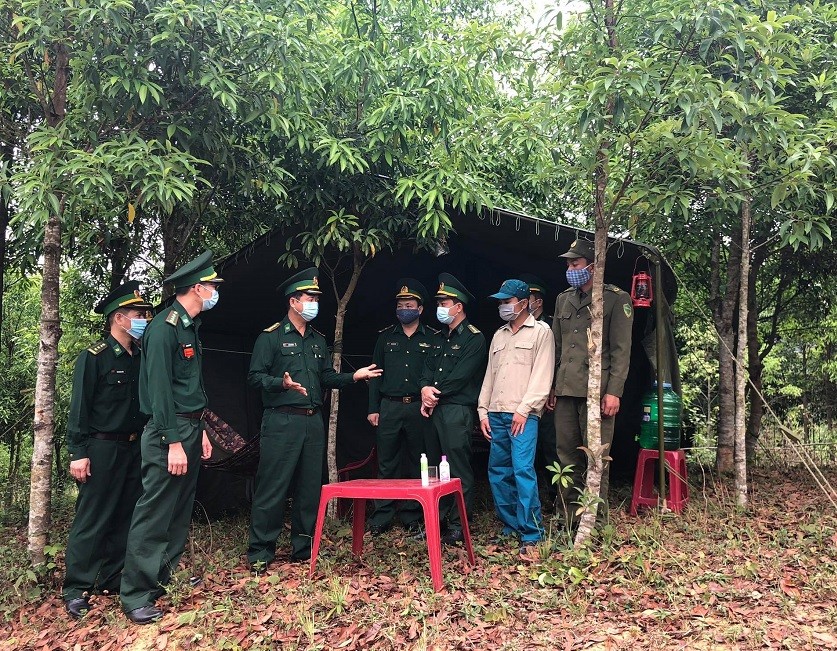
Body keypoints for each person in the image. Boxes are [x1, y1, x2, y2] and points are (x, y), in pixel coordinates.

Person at [247, 267, 382, 569]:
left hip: (312, 421)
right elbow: (255, 378)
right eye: (309, 298)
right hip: (282, 420)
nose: (314, 304)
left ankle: (303, 549)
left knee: (309, 487)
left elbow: (327, 378)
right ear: (293, 302)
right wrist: (279, 383)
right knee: (273, 486)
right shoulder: (270, 338)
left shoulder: (318, 341)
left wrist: (354, 376)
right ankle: (260, 553)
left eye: (316, 299)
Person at [119, 251, 219, 624]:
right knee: (155, 511)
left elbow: (190, 388)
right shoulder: (163, 328)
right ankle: (136, 594)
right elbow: (160, 391)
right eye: (212, 287)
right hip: (168, 433)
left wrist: (202, 431)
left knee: (179, 508)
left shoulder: (188, 327)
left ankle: (164, 575)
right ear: (197, 288)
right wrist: (173, 441)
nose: (214, 293)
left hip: (190, 427)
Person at [62, 281, 153, 619]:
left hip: (134, 447)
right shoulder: (95, 357)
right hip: (100, 449)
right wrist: (77, 452)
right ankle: (76, 587)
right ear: (118, 318)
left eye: (145, 313)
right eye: (137, 314)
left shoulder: (140, 356)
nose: (143, 318)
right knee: (93, 517)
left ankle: (112, 578)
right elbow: (79, 408)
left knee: (125, 516)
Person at [550, 239, 633, 524]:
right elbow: (558, 348)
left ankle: (594, 521)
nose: (570, 269)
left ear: (593, 267)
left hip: (596, 392)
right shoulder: (563, 299)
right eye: (568, 265)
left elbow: (621, 350)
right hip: (565, 389)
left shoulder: (615, 298)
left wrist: (614, 392)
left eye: (575, 264)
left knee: (596, 459)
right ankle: (567, 518)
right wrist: (552, 387)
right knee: (566, 456)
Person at [479, 279, 554, 551]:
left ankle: (532, 533)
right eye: (500, 302)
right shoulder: (499, 335)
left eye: (507, 302)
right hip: (496, 414)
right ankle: (510, 526)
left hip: (522, 415)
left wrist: (524, 410)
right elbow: (490, 375)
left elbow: (542, 376)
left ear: (524, 303)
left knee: (522, 470)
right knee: (498, 472)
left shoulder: (541, 332)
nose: (503, 307)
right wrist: (482, 410)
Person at [367, 279, 441, 536]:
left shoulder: (432, 338)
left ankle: (412, 514)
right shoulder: (386, 337)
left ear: (420, 309)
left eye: (409, 305)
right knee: (386, 462)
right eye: (400, 305)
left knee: (417, 461)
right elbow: (374, 374)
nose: (404, 309)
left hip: (419, 408)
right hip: (389, 406)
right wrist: (372, 408)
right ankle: (382, 516)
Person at [419, 273, 486, 545]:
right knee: (433, 469)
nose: (440, 308)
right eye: (440, 303)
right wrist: (424, 390)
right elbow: (427, 369)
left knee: (457, 469)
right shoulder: (439, 337)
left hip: (456, 409)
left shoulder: (474, 338)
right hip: (432, 408)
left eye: (445, 303)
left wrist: (433, 394)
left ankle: (459, 525)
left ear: (459, 307)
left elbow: (461, 376)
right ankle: (437, 521)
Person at [518, 273, 559, 510]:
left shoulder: (551, 326)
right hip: (523, 398)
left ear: (538, 302)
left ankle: (556, 496)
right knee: (525, 455)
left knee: (550, 447)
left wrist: (552, 388)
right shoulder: (514, 328)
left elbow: (560, 359)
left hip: (548, 399)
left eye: (528, 299)